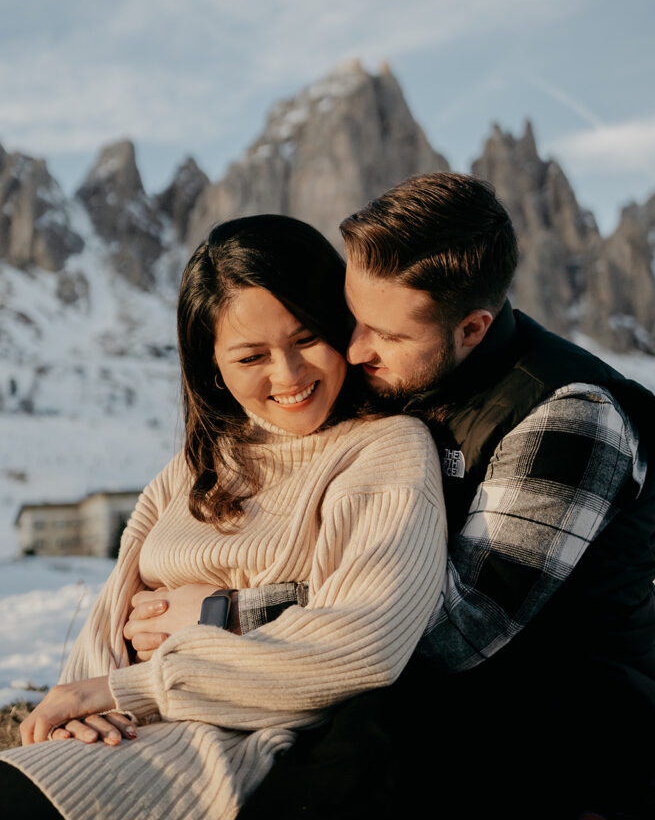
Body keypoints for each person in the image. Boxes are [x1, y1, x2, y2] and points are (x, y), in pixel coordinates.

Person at [131, 174, 655, 820]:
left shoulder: (572, 416)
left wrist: (224, 615)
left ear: (471, 329)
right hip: (426, 709)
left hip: (563, 739)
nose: (356, 349)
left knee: (369, 734)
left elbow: (451, 631)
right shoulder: (407, 381)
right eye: (350, 318)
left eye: (385, 334)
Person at [0, 214, 446, 820]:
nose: (289, 375)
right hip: (114, 737)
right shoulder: (196, 464)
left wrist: (135, 686)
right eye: (252, 355)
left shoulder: (385, 448)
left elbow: (362, 644)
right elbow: (108, 619)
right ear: (212, 365)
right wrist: (80, 711)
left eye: (307, 338)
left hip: (222, 753)